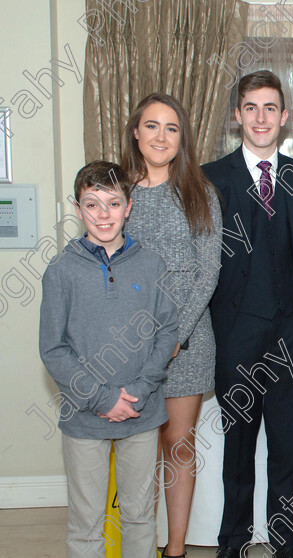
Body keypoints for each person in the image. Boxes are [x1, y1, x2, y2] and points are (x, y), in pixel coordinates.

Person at [202, 70, 293, 558]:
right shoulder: (210, 177)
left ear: (284, 116)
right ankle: (233, 543)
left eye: (270, 107)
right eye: (251, 107)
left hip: (292, 336)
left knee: (287, 449)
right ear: (237, 116)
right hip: (236, 336)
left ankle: (285, 544)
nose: (261, 117)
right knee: (238, 450)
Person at [39, 161, 178, 558]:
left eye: (113, 203)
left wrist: (135, 392)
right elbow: (53, 348)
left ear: (129, 206)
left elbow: (166, 332)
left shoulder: (151, 265)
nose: (104, 214)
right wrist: (102, 399)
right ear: (77, 208)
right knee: (86, 523)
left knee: (139, 516)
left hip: (141, 410)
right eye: (92, 204)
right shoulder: (61, 271)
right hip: (85, 417)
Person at [121, 93, 223, 558]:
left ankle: (176, 549)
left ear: (183, 138)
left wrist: (176, 336)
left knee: (178, 444)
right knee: (136, 453)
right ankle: (139, 544)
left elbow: (209, 271)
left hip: (189, 339)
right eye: (152, 126)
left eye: (171, 128)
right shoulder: (116, 193)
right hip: (128, 343)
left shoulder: (200, 192)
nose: (161, 136)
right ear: (136, 133)